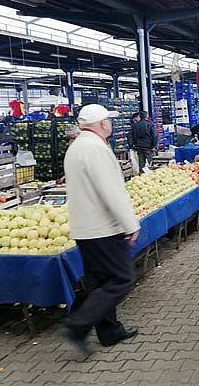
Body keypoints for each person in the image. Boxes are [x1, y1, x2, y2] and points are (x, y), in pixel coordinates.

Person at [62, 104, 140, 354]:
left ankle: (109, 331)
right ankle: (78, 324)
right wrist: (130, 223)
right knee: (123, 278)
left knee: (98, 282)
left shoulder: (76, 147)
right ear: (100, 124)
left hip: (84, 228)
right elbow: (111, 191)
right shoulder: (96, 149)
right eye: (108, 120)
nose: (111, 124)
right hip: (103, 228)